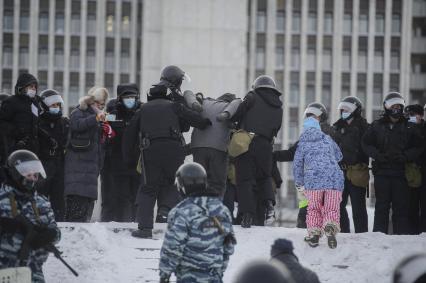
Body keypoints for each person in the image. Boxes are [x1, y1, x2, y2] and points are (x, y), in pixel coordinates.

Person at [123, 78, 211, 239]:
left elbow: (129, 136)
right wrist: (206, 122)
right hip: (174, 150)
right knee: (170, 183)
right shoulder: (174, 106)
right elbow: (195, 119)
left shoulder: (143, 110)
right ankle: (164, 210)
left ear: (150, 96)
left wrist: (129, 159)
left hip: (151, 150)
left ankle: (144, 229)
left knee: (148, 187)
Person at [159, 162, 235, 283]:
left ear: (181, 185)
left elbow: (173, 246)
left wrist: (164, 274)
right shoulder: (222, 210)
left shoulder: (181, 211)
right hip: (214, 277)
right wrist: (219, 270)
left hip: (188, 277)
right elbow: (229, 246)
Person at [362, 92, 424, 235]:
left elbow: (419, 146)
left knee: (401, 209)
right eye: (393, 106)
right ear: (387, 107)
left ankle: (400, 238)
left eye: (399, 106)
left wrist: (405, 156)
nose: (396, 109)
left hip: (401, 174)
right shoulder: (377, 125)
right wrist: (377, 155)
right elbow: (365, 143)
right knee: (381, 207)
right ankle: (378, 237)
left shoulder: (409, 126)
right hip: (381, 174)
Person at [0, 150, 61, 282]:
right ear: (15, 173)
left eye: (35, 174)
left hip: (33, 273)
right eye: (28, 172)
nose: (32, 177)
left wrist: (50, 234)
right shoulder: (1, 198)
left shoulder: (42, 202)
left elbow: (56, 232)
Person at [231, 75, 283, 228]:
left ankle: (247, 215)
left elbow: (238, 113)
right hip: (266, 145)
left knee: (245, 179)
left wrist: (232, 121)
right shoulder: (278, 105)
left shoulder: (252, 96)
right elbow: (276, 128)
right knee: (264, 177)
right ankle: (269, 205)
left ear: (257, 86)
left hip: (247, 142)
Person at [273, 102, 331, 229]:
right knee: (303, 218)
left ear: (322, 118)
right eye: (308, 116)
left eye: (313, 116)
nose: (310, 119)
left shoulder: (329, 134)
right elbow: (292, 153)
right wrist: (272, 155)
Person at [293, 116, 344, 248]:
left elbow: (297, 165)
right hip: (334, 179)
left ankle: (314, 234)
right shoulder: (327, 139)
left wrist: (299, 183)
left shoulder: (302, 143)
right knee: (331, 208)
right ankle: (330, 226)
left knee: (314, 209)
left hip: (313, 181)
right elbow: (339, 156)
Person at [64, 86, 112, 222]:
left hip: (90, 173)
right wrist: (95, 119)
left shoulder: (99, 119)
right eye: (98, 104)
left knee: (86, 214)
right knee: (75, 216)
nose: (100, 107)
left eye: (103, 105)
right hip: (77, 173)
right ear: (91, 102)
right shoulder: (79, 112)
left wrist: (105, 130)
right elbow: (77, 125)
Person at [101, 83, 141, 222]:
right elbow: (102, 129)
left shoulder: (142, 113)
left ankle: (137, 224)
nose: (130, 100)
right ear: (120, 99)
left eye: (132, 97)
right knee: (121, 198)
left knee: (137, 198)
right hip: (117, 165)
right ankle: (122, 225)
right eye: (126, 97)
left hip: (138, 165)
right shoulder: (112, 116)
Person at [190, 92, 241, 197]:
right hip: (218, 149)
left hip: (198, 148)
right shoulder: (230, 105)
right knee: (217, 184)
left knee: (199, 182)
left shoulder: (205, 102)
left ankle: (198, 208)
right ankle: (214, 210)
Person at [332, 96, 369, 233]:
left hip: (357, 172)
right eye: (342, 109)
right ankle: (343, 233)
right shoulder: (336, 127)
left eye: (347, 109)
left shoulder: (364, 127)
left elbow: (369, 147)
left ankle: (362, 234)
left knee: (358, 207)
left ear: (356, 110)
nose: (343, 112)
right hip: (340, 173)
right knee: (338, 205)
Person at [36, 89, 69, 221]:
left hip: (59, 164)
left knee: (59, 199)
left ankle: (59, 226)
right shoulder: (38, 122)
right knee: (40, 198)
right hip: (42, 164)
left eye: (57, 105)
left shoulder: (64, 122)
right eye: (52, 105)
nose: (56, 108)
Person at [0, 73, 40, 155]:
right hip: (14, 148)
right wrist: (17, 132)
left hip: (32, 150)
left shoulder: (35, 104)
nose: (33, 89)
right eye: (30, 86)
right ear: (22, 87)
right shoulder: (11, 101)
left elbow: (36, 125)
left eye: (35, 87)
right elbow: (2, 122)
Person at [404, 104, 425, 234]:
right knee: (411, 206)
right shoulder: (405, 128)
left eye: (413, 114)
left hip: (423, 171)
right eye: (408, 115)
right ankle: (412, 233)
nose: (410, 117)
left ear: (420, 115)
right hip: (410, 173)